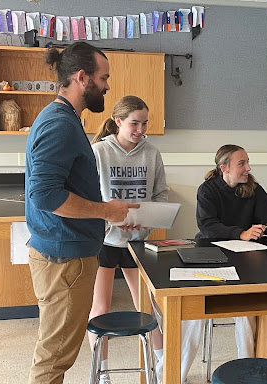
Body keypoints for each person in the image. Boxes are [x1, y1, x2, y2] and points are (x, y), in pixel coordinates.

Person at [25, 42, 138, 384]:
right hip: (64, 260)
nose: (107, 86)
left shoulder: (63, 119)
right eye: (103, 78)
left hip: (67, 254)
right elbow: (45, 194)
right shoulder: (59, 124)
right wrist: (105, 211)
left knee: (56, 352)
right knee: (54, 358)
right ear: (81, 77)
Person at [87, 96, 168, 384]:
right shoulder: (98, 152)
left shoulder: (152, 153)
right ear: (118, 122)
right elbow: (89, 198)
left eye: (145, 123)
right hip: (105, 241)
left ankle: (162, 366)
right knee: (101, 309)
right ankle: (102, 372)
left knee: (147, 307)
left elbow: (160, 195)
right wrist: (106, 215)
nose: (141, 129)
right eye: (135, 123)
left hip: (137, 241)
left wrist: (152, 216)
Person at [191, 144, 267, 370]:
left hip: (245, 259)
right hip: (210, 255)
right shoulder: (207, 190)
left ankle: (248, 365)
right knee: (194, 310)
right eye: (241, 163)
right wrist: (240, 233)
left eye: (247, 162)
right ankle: (175, 371)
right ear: (224, 167)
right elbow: (207, 227)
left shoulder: (253, 188)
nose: (248, 168)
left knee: (247, 306)